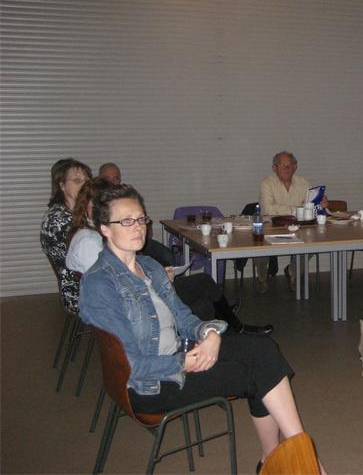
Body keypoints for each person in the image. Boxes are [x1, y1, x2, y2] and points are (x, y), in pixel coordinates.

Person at [78, 185, 323, 473]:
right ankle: (302, 464)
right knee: (263, 372)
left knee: (264, 349)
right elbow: (130, 366)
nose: (138, 227)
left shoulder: (149, 266)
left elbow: (184, 318)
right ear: (105, 228)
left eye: (141, 218)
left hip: (179, 356)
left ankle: (282, 461)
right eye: (126, 221)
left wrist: (209, 334)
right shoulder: (99, 283)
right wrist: (184, 361)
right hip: (151, 384)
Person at [66, 179, 270, 334]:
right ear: (86, 206)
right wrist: (157, 279)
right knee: (204, 304)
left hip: (148, 287)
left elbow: (126, 271)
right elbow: (118, 289)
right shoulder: (88, 241)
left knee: (204, 281)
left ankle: (234, 327)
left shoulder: (97, 233)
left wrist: (156, 274)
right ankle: (219, 331)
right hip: (143, 304)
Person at [258, 152, 328, 290]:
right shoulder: (266, 183)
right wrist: (297, 210)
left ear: (295, 167)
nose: (287, 168)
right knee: (258, 245)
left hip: (298, 226)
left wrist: (321, 204)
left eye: (290, 165)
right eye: (282, 165)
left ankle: (292, 272)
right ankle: (262, 278)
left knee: (312, 242)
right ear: (274, 168)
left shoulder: (304, 183)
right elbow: (268, 208)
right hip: (271, 227)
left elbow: (311, 207)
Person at [40, 158, 92, 314]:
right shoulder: (60, 219)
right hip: (81, 293)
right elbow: (92, 262)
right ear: (62, 185)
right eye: (77, 180)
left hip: (85, 283)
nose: (85, 185)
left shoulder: (76, 213)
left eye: (87, 180)